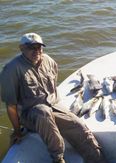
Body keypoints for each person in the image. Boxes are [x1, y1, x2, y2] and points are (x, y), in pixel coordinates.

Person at [0, 33, 106, 163]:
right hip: (31, 115)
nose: (36, 51)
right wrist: (17, 131)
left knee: (78, 126)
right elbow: (11, 106)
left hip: (53, 107)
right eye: (31, 48)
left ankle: (97, 159)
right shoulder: (11, 69)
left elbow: (53, 86)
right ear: (21, 48)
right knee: (43, 112)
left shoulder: (49, 61)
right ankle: (58, 158)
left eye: (39, 47)